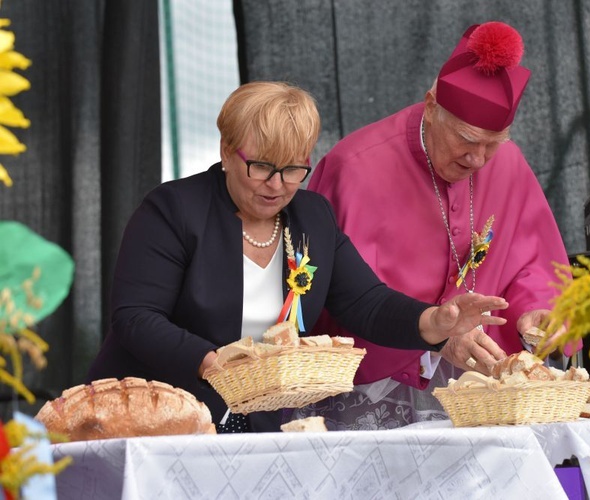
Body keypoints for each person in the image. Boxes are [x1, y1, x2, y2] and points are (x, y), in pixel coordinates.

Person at [86, 81, 508, 433]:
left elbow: (367, 303)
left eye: (293, 169)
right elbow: (136, 318)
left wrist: (435, 321)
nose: (276, 185)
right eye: (261, 167)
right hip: (153, 414)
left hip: (255, 421)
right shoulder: (172, 210)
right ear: (226, 150)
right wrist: (221, 365)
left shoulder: (311, 217)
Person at [295, 21, 572, 429]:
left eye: (493, 144)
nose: (478, 159)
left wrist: (536, 313)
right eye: (466, 139)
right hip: (375, 386)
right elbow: (340, 299)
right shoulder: (355, 166)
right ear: (430, 107)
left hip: (482, 385)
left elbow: (532, 263)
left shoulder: (509, 165)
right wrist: (436, 334)